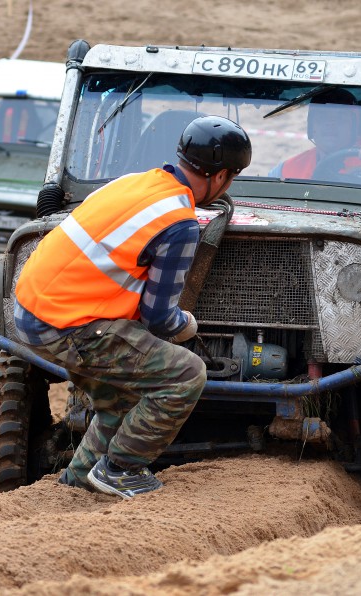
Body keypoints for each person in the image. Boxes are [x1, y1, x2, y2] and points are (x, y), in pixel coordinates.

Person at [13, 115, 252, 498]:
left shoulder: (133, 183)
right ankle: (120, 470)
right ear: (221, 176)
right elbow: (159, 316)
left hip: (29, 310)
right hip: (67, 323)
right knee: (186, 374)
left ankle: (75, 485)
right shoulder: (180, 222)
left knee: (119, 399)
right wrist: (187, 325)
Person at [268, 88, 361, 185]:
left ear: (354, 126)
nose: (330, 124)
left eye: (341, 118)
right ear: (312, 126)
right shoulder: (285, 170)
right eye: (322, 117)